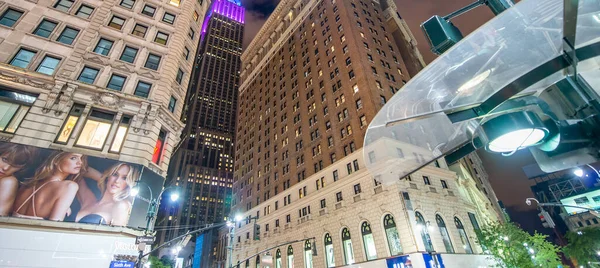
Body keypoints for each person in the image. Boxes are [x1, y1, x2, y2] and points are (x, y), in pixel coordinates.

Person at [12, 152, 87, 221]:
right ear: (56, 160)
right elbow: (54, 225)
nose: (80, 162)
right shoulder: (69, 186)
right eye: (73, 158)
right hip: (37, 234)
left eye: (81, 158)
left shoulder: (28, 184)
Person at [0, 143, 38, 216]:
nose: (6, 168)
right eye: (4, 159)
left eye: (15, 165)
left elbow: (1, 215)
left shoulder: (8, 182)